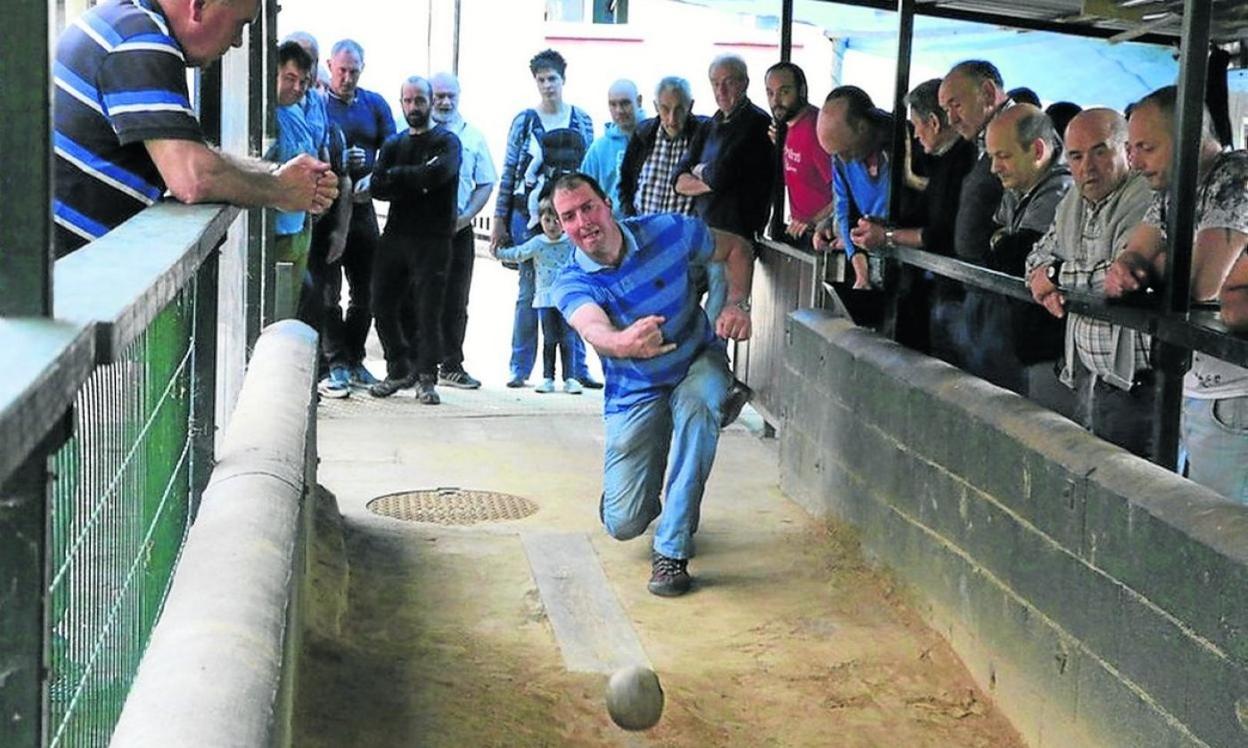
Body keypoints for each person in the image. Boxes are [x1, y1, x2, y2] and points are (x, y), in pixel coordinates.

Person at [549, 172, 754, 597]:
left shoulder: (667, 229)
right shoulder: (571, 280)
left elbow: (736, 247)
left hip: (696, 359)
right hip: (636, 389)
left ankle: (672, 551)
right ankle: (639, 477)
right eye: (569, 216)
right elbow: (591, 327)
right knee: (624, 524)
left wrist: (735, 303)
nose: (583, 222)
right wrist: (622, 342)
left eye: (588, 207)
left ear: (608, 203)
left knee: (699, 409)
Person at [52, 0, 337, 258]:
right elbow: (192, 176)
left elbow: (194, 155)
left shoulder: (122, 22)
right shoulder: (140, 42)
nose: (237, 41)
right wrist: (281, 190)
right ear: (198, 6)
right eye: (239, 25)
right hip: (59, 288)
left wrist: (274, 172)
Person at [1105, 86, 1248, 502]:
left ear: (1189, 138)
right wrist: (1135, 266)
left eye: (1147, 147)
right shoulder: (1172, 189)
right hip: (1200, 385)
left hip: (1234, 394)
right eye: (1131, 148)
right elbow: (1130, 257)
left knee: (1220, 531)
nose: (1135, 161)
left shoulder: (1234, 176)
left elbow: (1202, 284)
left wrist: (1154, 267)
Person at [1024, 108, 1154, 457]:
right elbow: (1035, 257)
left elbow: (1119, 277)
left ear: (1126, 150)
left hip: (1136, 382)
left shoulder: (1148, 197)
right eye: (1076, 156)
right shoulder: (1072, 200)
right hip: (1088, 374)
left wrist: (1054, 277)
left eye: (1100, 151)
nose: (1087, 166)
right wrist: (1043, 277)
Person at [490, 49, 599, 389]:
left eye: (552, 78)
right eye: (541, 79)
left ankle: (576, 368)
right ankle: (520, 368)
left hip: (574, 215)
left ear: (563, 80)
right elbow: (510, 170)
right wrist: (500, 218)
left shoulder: (581, 120)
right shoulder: (525, 121)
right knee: (528, 292)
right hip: (530, 214)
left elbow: (590, 170)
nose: (547, 85)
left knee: (578, 287)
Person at [675, 54, 773, 426]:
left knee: (720, 315)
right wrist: (705, 176)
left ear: (745, 83)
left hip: (735, 236)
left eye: (729, 81)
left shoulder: (756, 123)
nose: (722, 90)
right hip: (701, 232)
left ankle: (720, 391)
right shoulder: (711, 124)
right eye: (715, 83)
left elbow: (722, 174)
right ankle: (698, 381)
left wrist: (703, 176)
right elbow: (680, 179)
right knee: (682, 305)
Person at [851, 78, 976, 356]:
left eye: (916, 125)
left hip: (957, 294)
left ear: (933, 122)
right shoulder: (943, 160)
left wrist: (887, 236)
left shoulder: (963, 160)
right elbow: (925, 215)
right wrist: (883, 226)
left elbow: (940, 232)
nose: (915, 135)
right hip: (941, 291)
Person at [367, 77, 461, 404]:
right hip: (395, 235)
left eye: (419, 100)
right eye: (407, 101)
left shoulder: (447, 142)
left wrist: (399, 178)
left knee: (428, 310)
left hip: (433, 238)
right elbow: (377, 186)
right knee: (380, 301)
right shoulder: (394, 144)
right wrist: (415, 178)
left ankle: (426, 377)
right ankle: (398, 367)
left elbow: (438, 175)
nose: (413, 107)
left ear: (431, 101)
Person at [981, 104, 1071, 401]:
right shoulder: (1020, 189)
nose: (994, 168)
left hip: (1053, 351)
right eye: (992, 156)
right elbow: (990, 236)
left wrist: (1004, 241)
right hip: (1028, 343)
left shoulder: (1059, 190)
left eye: (1003, 156)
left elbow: (1013, 257)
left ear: (1036, 150)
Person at [322, 39, 396, 393]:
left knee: (368, 288)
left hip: (364, 204)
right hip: (329, 205)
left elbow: (394, 149)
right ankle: (334, 360)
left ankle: (354, 357)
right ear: (329, 66)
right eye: (341, 71)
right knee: (328, 289)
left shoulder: (375, 104)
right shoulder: (320, 105)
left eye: (353, 71)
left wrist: (373, 171)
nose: (347, 78)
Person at [430, 71, 497, 390]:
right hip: (421, 231)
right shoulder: (412, 131)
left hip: (459, 229)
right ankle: (419, 364)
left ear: (459, 96)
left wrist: (468, 215)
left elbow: (486, 180)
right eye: (438, 95)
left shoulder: (472, 136)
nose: (444, 102)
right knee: (417, 296)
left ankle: (451, 364)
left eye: (449, 96)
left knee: (456, 299)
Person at [493, 196, 583, 394]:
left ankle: (571, 377)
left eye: (556, 220)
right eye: (547, 220)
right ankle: (548, 377)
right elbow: (518, 253)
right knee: (549, 339)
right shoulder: (537, 243)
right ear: (540, 220)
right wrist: (499, 252)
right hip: (544, 298)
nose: (552, 225)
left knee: (568, 338)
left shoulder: (571, 243)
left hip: (567, 298)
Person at [813, 85, 894, 290]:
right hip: (875, 263)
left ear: (862, 127)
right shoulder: (840, 160)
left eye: (845, 151)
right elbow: (844, 212)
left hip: (915, 266)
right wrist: (861, 275)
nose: (842, 159)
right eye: (835, 154)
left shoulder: (906, 144)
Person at [272, 41, 320, 315]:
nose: (298, 88)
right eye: (290, 79)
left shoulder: (295, 111)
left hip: (300, 226)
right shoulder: (266, 116)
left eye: (303, 81)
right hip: (277, 232)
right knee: (280, 310)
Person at [764, 62, 832, 246]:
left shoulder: (816, 129)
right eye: (770, 93)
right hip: (800, 233)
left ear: (802, 90)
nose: (776, 101)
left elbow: (844, 191)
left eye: (784, 92)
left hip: (824, 236)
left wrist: (814, 221)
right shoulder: (787, 129)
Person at [618, 77, 706, 218]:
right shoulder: (643, 134)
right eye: (665, 109)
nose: (672, 119)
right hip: (642, 230)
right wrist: (631, 219)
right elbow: (625, 183)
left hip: (684, 236)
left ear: (690, 106)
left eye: (679, 110)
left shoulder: (703, 136)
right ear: (656, 107)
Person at [580, 80, 643, 208]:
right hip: (615, 225)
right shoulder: (598, 150)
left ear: (639, 101)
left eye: (625, 103)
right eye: (613, 104)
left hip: (655, 224)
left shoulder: (658, 138)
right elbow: (582, 194)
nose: (619, 110)